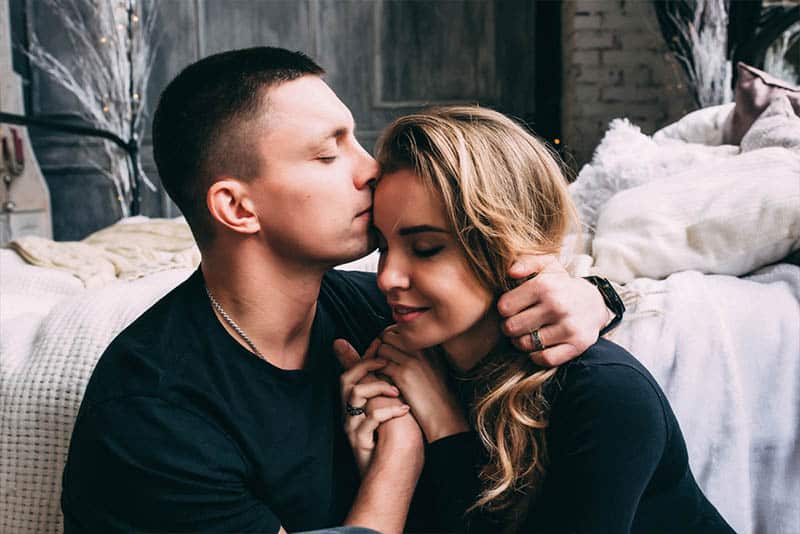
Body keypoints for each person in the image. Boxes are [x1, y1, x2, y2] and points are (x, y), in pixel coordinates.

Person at [60, 48, 617, 533]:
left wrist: (594, 297)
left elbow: (494, 292)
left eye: (357, 143)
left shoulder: (376, 307)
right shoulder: (152, 417)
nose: (371, 170)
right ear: (237, 207)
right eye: (329, 155)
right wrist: (398, 463)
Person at [337, 106, 735, 533]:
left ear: (507, 242)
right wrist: (388, 465)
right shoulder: (398, 350)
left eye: (427, 248)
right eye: (382, 247)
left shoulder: (605, 396)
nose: (387, 278)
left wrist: (445, 431)